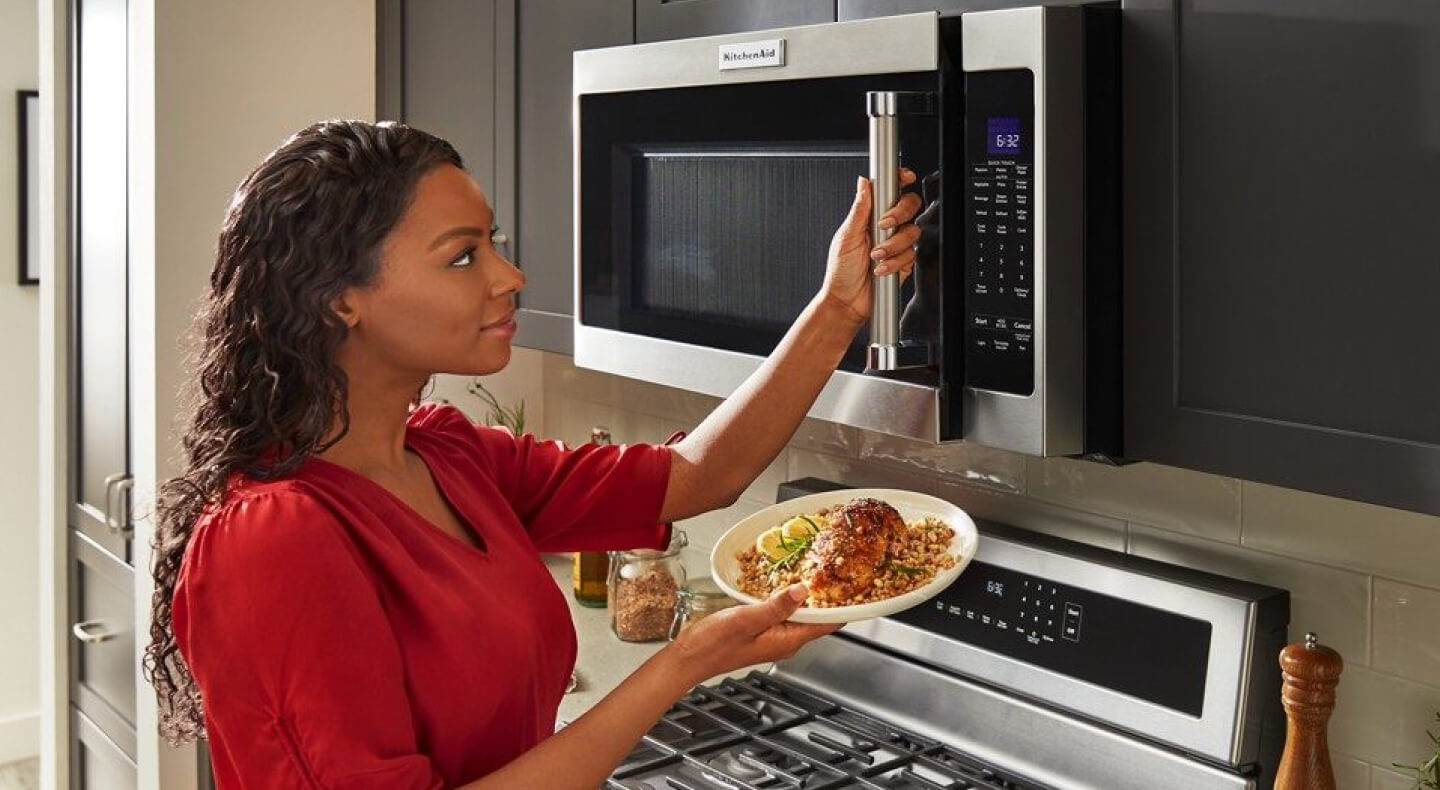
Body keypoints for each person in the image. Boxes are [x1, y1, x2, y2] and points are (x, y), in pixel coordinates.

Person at [144, 120, 923, 790]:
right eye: (462, 257)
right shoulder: (274, 537)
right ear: (340, 298)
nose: (509, 277)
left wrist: (838, 308)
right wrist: (680, 665)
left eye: (494, 245)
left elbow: (698, 476)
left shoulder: (448, 456)